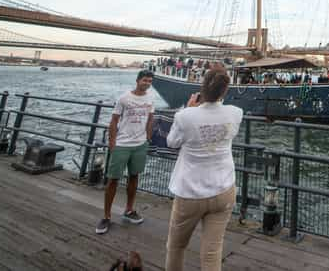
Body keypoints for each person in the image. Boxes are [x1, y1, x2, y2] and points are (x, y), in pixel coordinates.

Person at [164, 64, 243, 271]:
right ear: (225, 91)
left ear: (201, 89)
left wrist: (189, 108)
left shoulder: (185, 116)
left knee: (176, 246)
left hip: (191, 192)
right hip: (224, 189)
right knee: (212, 252)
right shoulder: (236, 113)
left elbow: (171, 142)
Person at [96, 70, 155, 235]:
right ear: (137, 80)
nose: (147, 83)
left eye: (150, 81)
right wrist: (112, 142)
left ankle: (129, 210)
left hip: (140, 144)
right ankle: (106, 216)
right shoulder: (124, 98)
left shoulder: (151, 98)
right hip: (122, 144)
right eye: (145, 80)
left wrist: (148, 137)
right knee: (113, 179)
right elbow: (114, 120)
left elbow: (151, 118)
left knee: (134, 177)